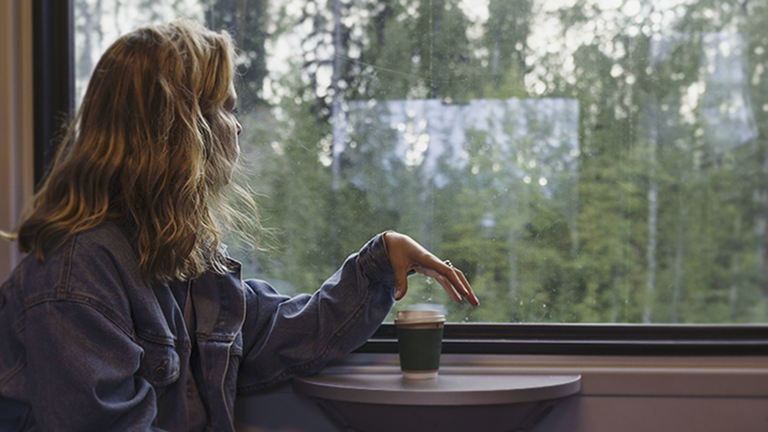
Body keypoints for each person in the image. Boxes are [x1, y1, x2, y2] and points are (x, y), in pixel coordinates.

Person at [0, 19, 478, 432]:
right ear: (182, 131)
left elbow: (286, 332)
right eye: (227, 108)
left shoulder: (180, 258)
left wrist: (379, 259)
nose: (239, 127)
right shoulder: (77, 278)